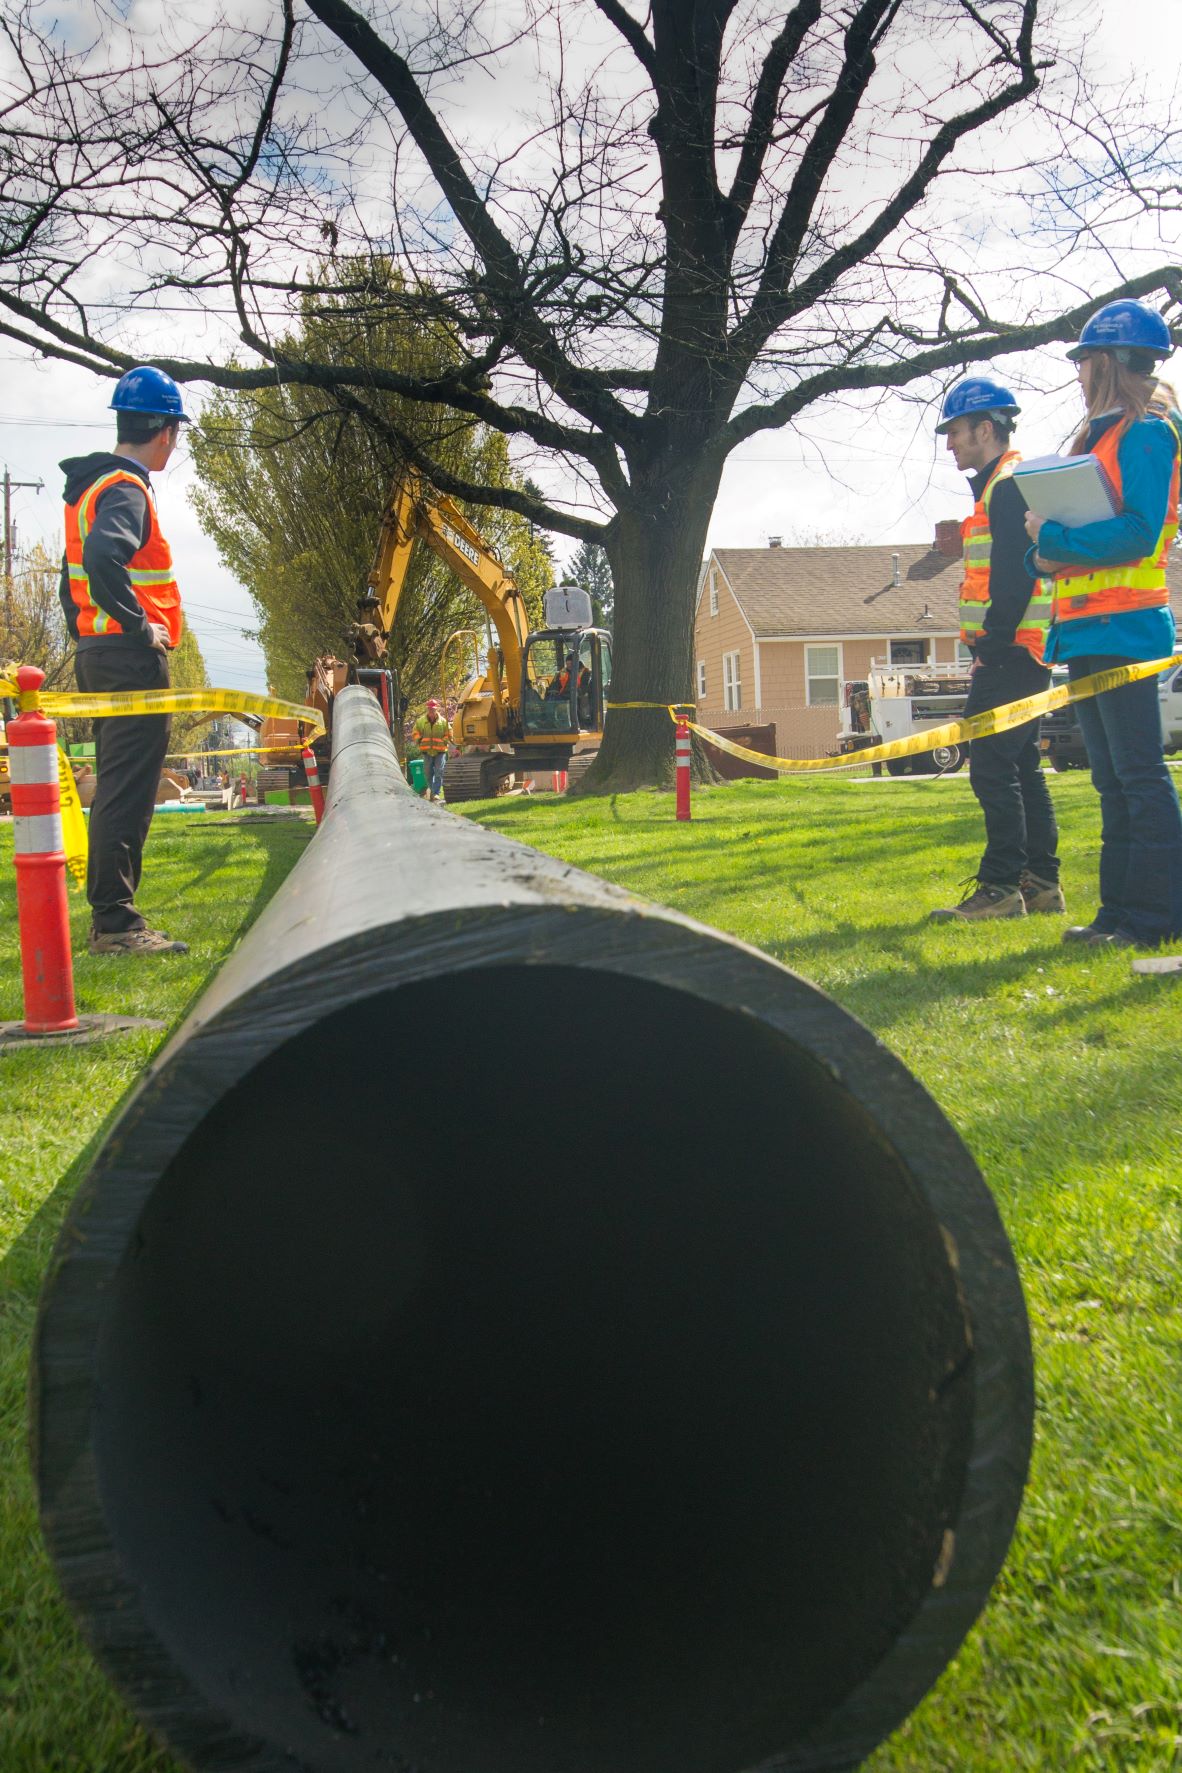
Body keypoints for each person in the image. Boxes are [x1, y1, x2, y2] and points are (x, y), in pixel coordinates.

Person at [1024, 299, 1182, 949]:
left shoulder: (1149, 432)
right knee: (1111, 779)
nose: (1079, 372)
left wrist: (1053, 537)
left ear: (1111, 362)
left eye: (1085, 359)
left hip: (1126, 628)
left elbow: (1139, 534)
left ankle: (1155, 917)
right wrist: (1043, 549)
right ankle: (1119, 913)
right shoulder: (1099, 436)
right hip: (1087, 631)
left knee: (1139, 775)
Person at [59, 366, 190, 955]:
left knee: (117, 782)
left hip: (100, 651)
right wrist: (140, 629)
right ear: (164, 432)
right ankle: (115, 922)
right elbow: (104, 559)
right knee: (129, 789)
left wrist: (91, 638)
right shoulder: (126, 489)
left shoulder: (88, 487)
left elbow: (73, 581)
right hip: (129, 657)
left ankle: (111, 916)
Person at [929, 378, 1061, 923]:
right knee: (1022, 764)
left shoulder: (1007, 486)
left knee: (988, 764)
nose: (950, 443)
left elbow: (1014, 579)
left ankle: (1002, 887)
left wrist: (991, 644)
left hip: (1010, 653)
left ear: (986, 428)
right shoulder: (1001, 486)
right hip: (1025, 650)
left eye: (956, 431)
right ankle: (1042, 886)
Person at [413, 697, 450, 801]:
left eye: (433, 709)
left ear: (436, 709)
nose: (431, 710)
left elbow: (449, 734)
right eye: (429, 709)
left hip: (440, 751)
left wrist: (444, 740)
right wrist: (419, 739)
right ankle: (432, 790)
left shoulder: (443, 722)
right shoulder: (420, 722)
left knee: (439, 772)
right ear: (427, 709)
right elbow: (415, 732)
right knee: (428, 772)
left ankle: (436, 792)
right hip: (426, 751)